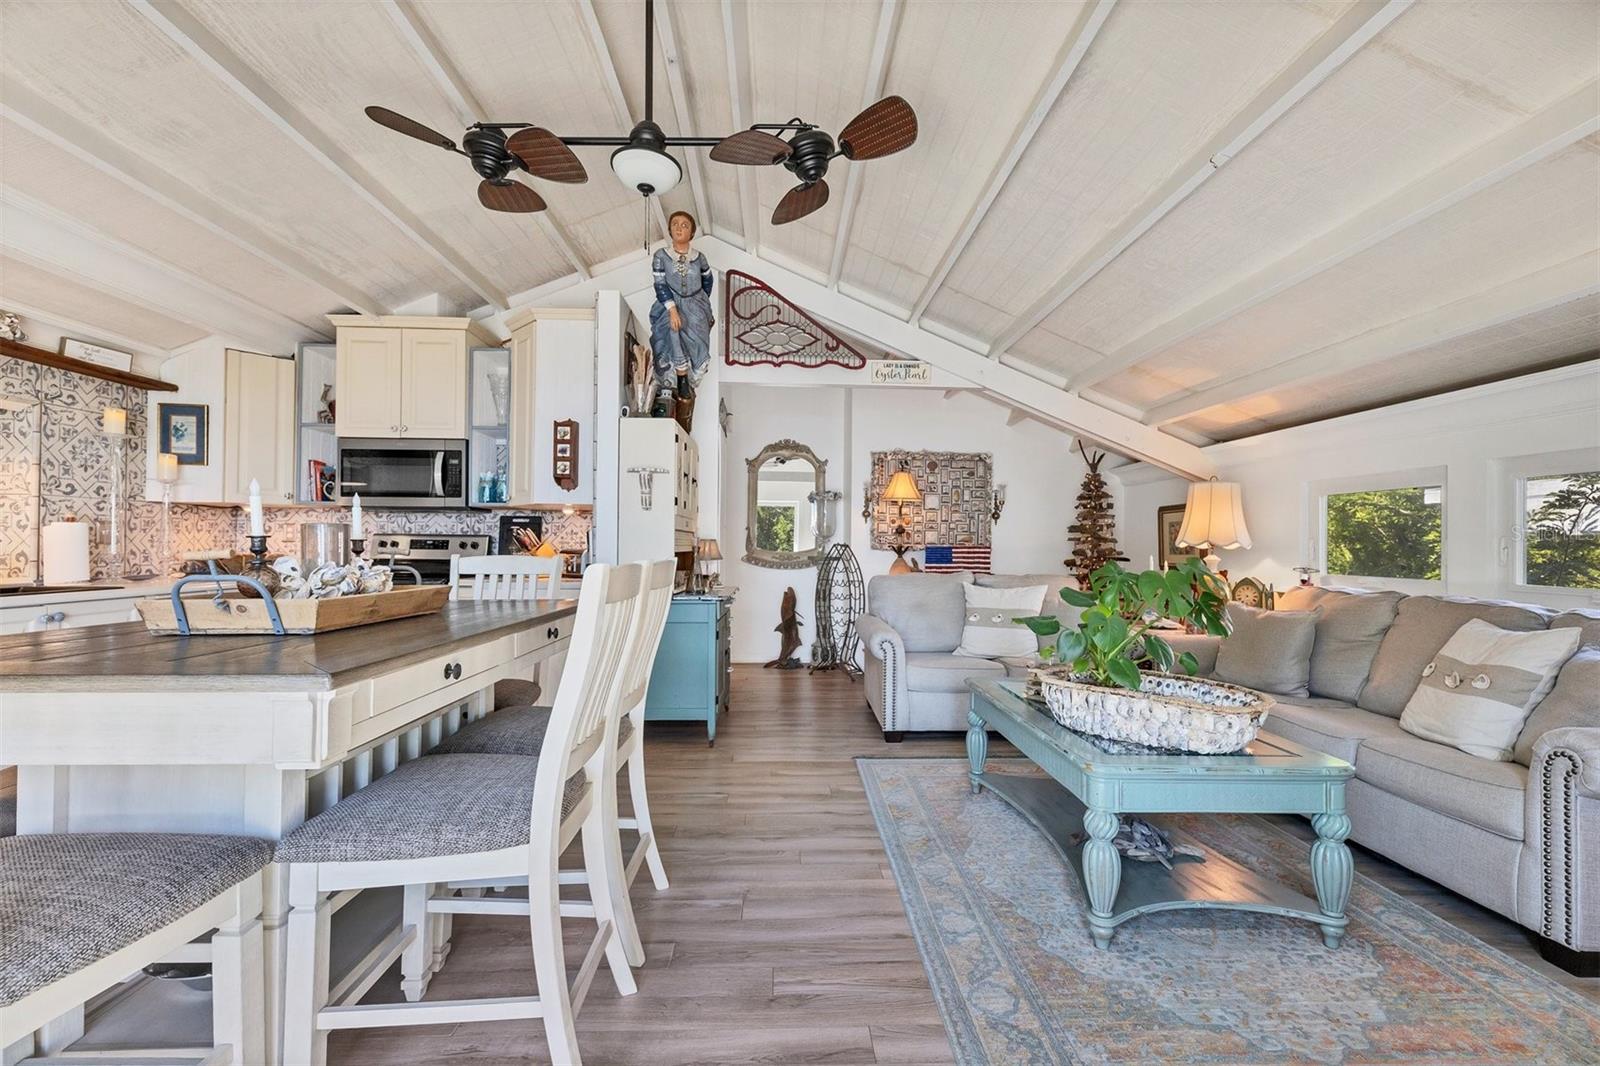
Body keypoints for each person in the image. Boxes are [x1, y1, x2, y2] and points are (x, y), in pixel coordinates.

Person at [649, 211, 714, 400]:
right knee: (669, 334)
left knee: (698, 346)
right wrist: (672, 309)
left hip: (696, 305)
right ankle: (679, 377)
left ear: (692, 232)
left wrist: (701, 305)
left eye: (685, 225)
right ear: (670, 229)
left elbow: (707, 281)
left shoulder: (699, 258)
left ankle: (689, 376)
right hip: (669, 304)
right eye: (675, 224)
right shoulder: (661, 256)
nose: (679, 228)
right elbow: (660, 284)